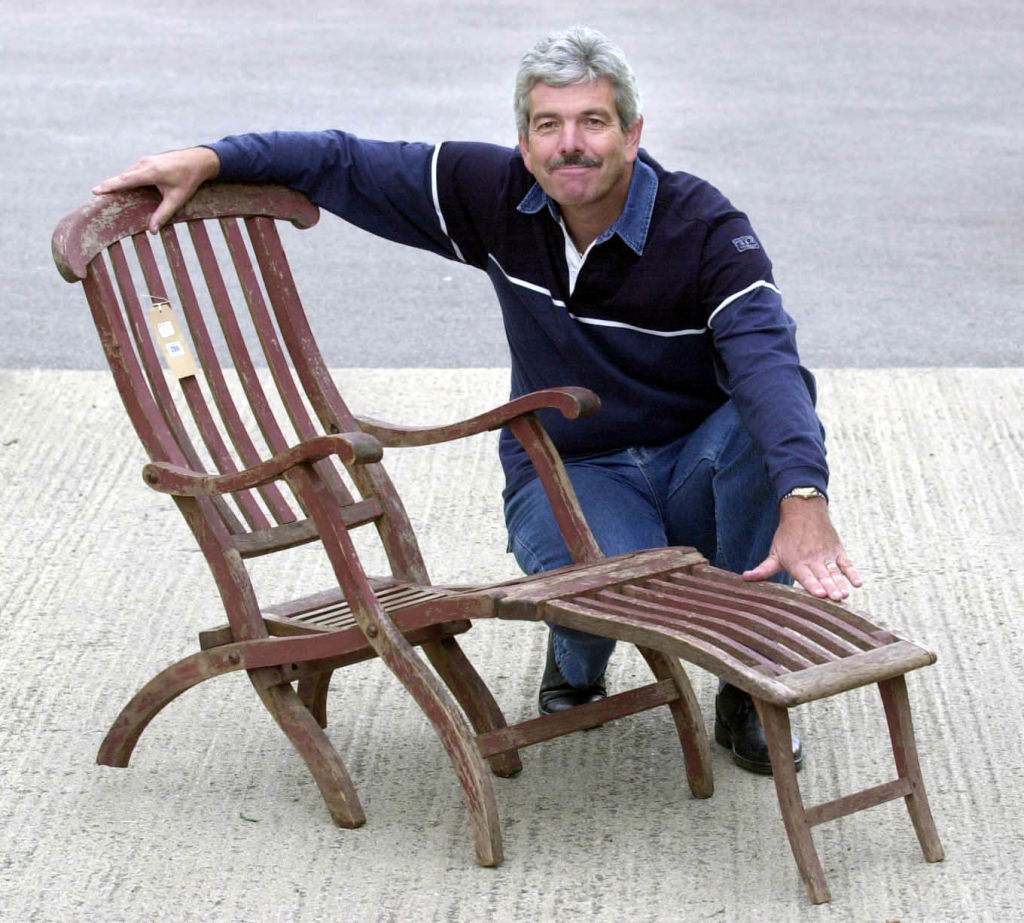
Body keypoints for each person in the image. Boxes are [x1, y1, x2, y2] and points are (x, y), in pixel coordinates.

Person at [94, 26, 861, 776]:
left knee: (761, 435)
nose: (571, 145)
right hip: (573, 466)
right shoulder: (494, 195)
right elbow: (345, 162)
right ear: (524, 142)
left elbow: (769, 364)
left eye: (593, 121)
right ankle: (575, 654)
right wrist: (212, 157)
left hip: (693, 460)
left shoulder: (705, 228)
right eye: (548, 125)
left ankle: (746, 687)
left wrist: (804, 494)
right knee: (608, 589)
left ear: (632, 132)